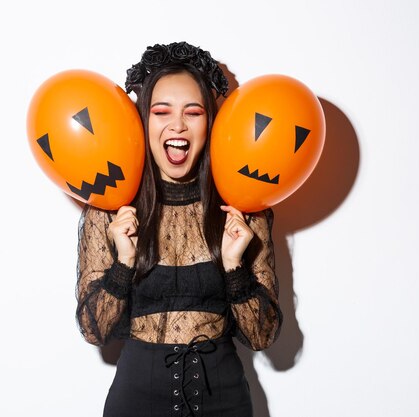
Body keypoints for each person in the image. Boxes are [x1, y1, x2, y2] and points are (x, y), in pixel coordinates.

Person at [75, 41, 282, 417]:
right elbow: (94, 330)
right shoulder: (110, 209)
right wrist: (123, 262)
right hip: (135, 401)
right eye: (161, 111)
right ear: (143, 121)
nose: (177, 125)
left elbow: (262, 336)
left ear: (210, 123)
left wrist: (235, 266)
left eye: (193, 112)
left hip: (225, 401)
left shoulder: (243, 209)